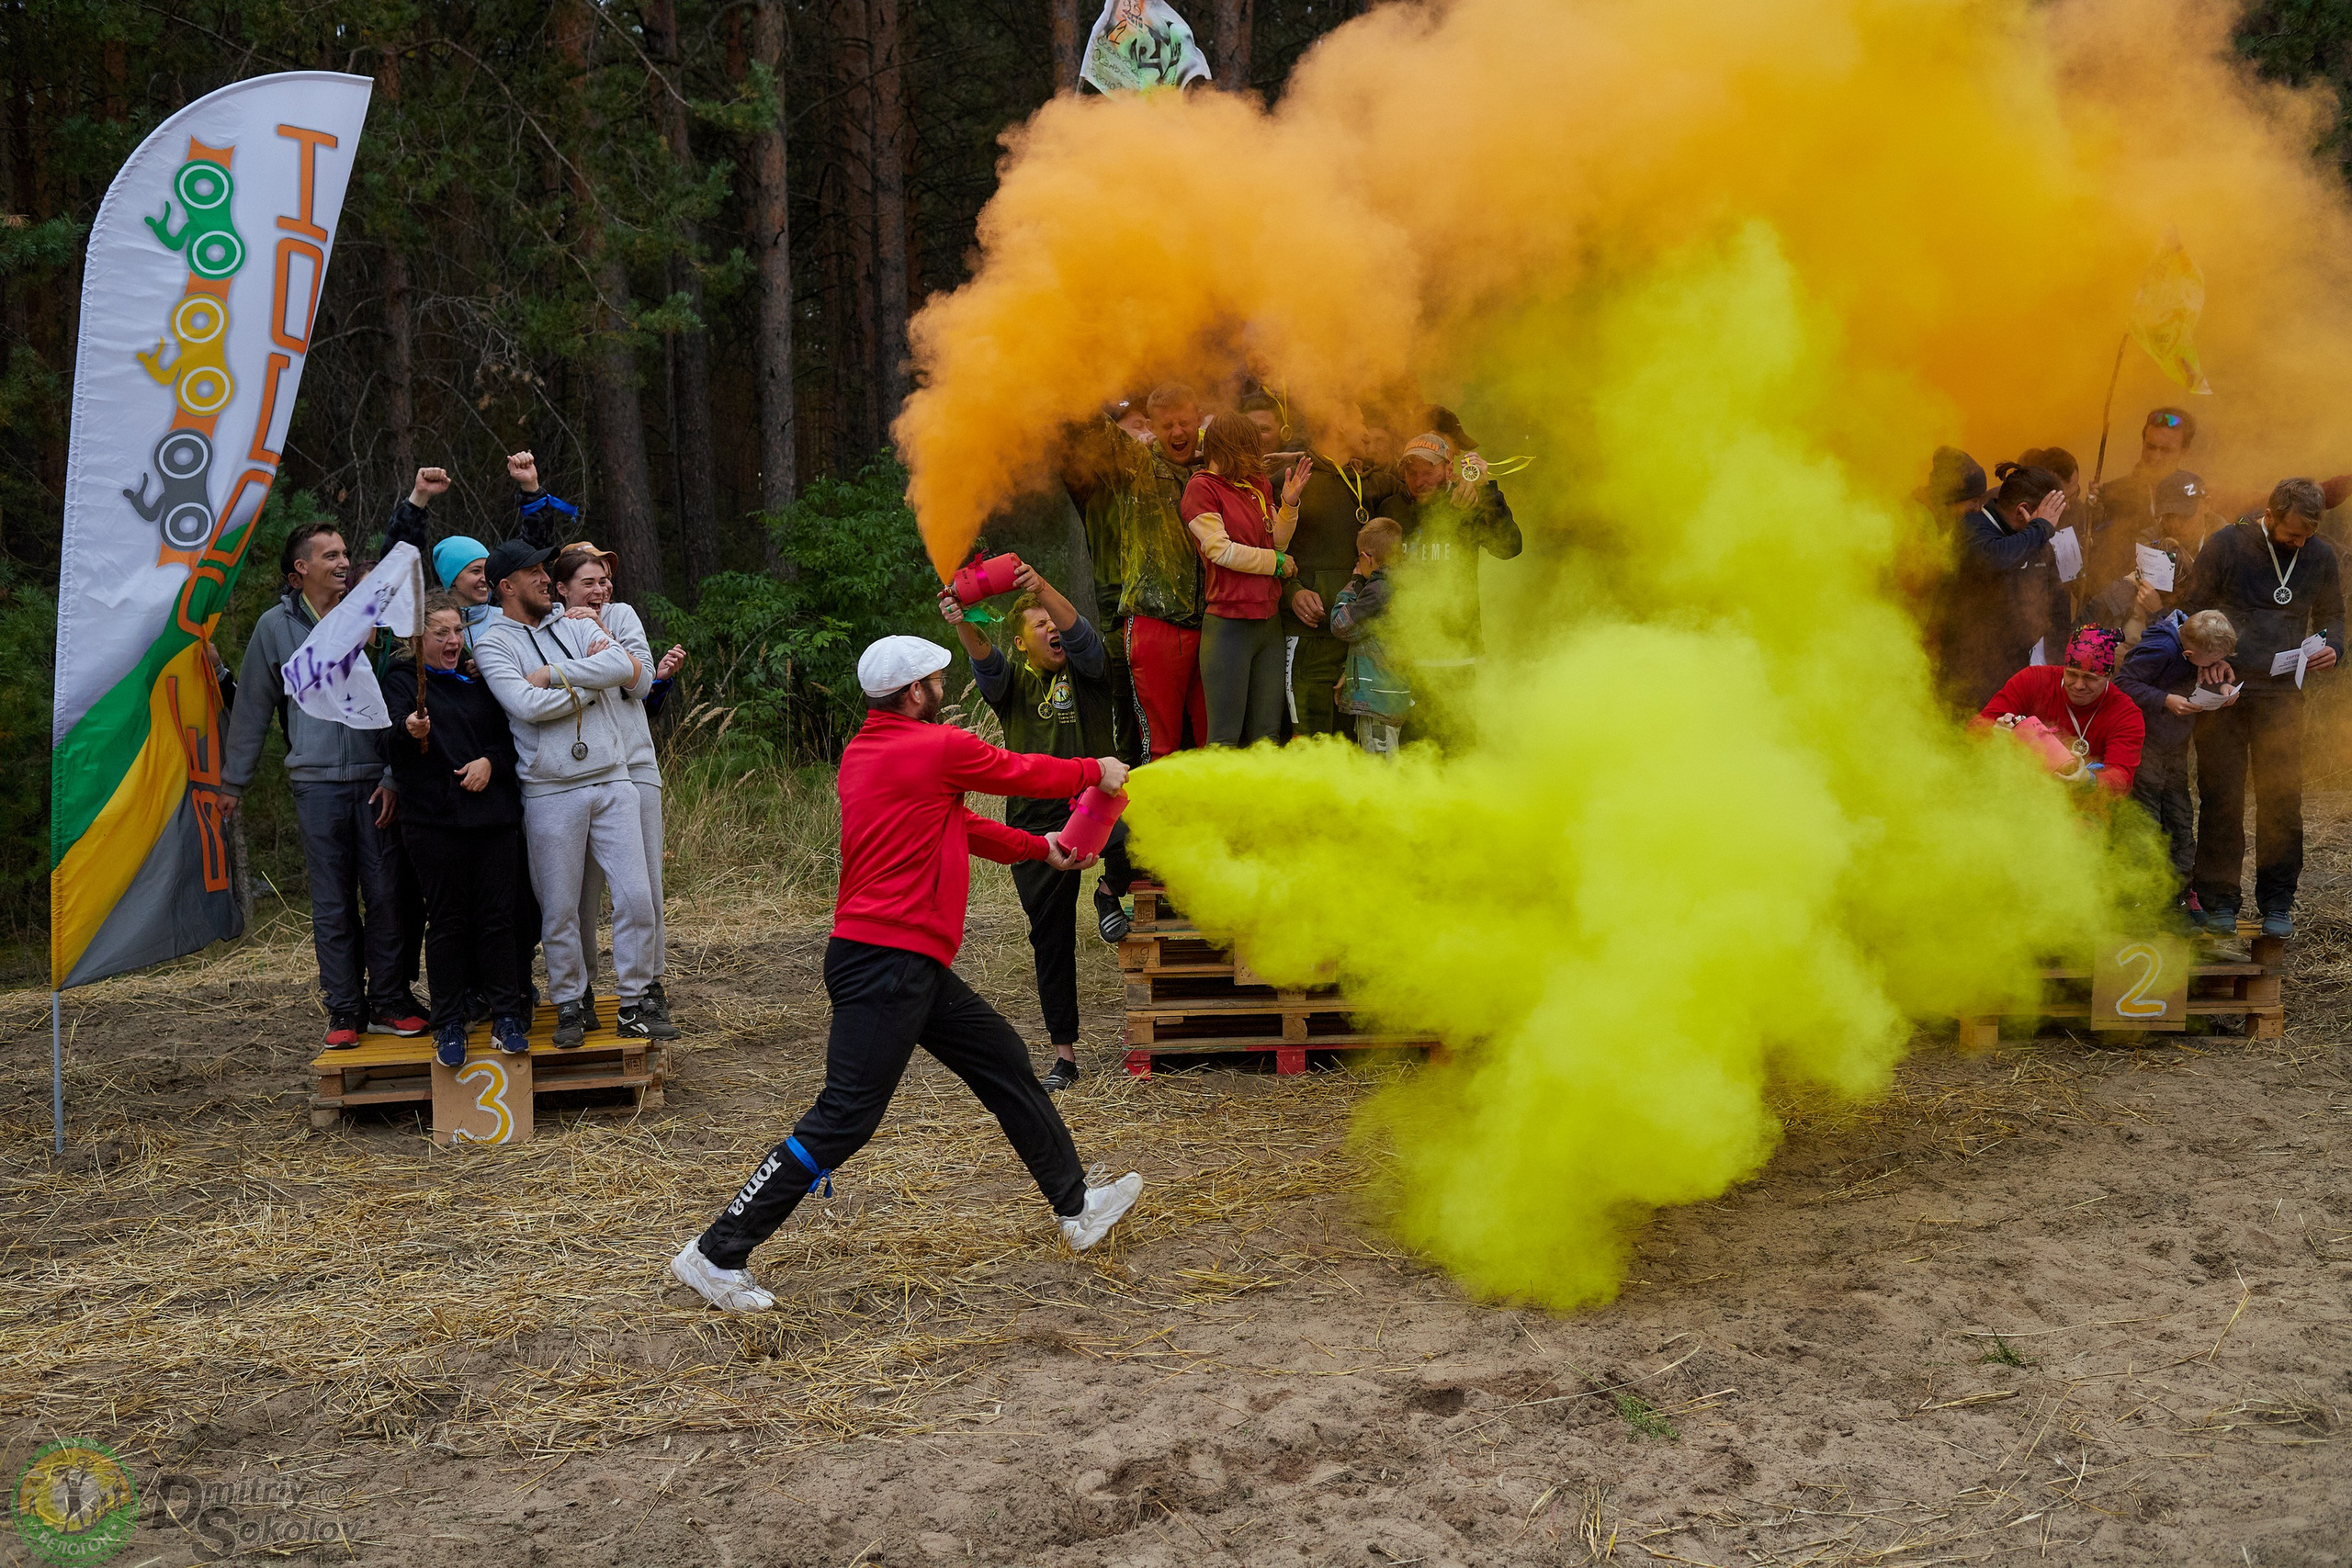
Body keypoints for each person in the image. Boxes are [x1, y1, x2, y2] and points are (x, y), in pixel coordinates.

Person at [668, 637, 1146, 1313]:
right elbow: (1019, 772)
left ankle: (1078, 1208)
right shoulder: (936, 748)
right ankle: (716, 1251)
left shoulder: (868, 752)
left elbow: (959, 827)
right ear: (915, 691)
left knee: (1004, 1060)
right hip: (887, 960)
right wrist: (1091, 769)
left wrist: (1043, 846)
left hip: (903, 960)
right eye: (938, 679)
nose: (945, 688)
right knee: (844, 1118)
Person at [220, 523, 425, 1047]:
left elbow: (400, 698)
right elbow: (252, 709)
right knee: (332, 901)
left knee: (385, 896)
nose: (342, 562)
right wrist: (233, 782)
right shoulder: (274, 627)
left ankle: (389, 1002)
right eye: (329, 555)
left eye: (345, 552)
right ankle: (343, 1012)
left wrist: (392, 774)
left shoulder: (371, 617)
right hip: (315, 783)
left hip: (375, 781)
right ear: (299, 571)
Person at [943, 566, 1136, 1089]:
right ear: (1021, 642)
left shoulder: (1089, 674)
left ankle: (1109, 891)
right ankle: (1065, 1056)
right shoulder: (1010, 687)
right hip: (1034, 821)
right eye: (1039, 624)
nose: (1053, 629)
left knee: (1135, 837)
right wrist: (962, 621)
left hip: (1094, 803)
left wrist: (1041, 587)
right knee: (1050, 939)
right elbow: (984, 661)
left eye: (1055, 620)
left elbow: (1082, 637)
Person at [471, 538, 669, 1046]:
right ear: (506, 586)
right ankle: (568, 1004)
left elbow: (627, 671)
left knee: (637, 897)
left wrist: (554, 675)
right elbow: (526, 704)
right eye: (532, 572)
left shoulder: (577, 621)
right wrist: (585, 684)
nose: (544, 578)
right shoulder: (493, 643)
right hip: (550, 790)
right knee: (559, 908)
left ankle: (635, 1001)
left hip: (612, 776)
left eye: (545, 570)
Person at [2177, 478, 2346, 940]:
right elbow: (2190, 609)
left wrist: (2333, 647)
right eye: (2292, 534)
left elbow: (2331, 615)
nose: (2300, 542)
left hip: (2282, 693)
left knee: (2281, 798)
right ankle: (2218, 901)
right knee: (2221, 796)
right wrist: (2205, 662)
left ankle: (2277, 899)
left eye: (2308, 535)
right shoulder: (2227, 545)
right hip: (2226, 688)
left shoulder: (2321, 555)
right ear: (2270, 515)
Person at [381, 594, 533, 1066]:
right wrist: (410, 732)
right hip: (434, 824)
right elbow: (387, 747)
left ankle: (507, 1014)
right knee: (447, 921)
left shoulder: (477, 681)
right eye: (441, 632)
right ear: (417, 639)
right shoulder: (403, 684)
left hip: (492, 819)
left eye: (457, 631)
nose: (452, 641)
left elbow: (512, 740)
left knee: (498, 917)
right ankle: (447, 1022)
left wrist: (490, 762)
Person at [549, 541, 687, 1031]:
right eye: (589, 581)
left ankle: (648, 986)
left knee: (642, 885)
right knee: (578, 893)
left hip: (635, 762)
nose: (601, 588)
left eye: (605, 579)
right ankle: (580, 991)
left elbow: (641, 683)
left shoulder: (624, 615)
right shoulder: (549, 627)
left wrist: (605, 637)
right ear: (562, 588)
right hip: (578, 771)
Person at [1068, 382, 1208, 761]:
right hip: (1156, 623)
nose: (1177, 433)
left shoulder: (1215, 467)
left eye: (1184, 423)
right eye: (1167, 426)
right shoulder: (1136, 465)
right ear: (1151, 425)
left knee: (1214, 743)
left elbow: (1264, 459)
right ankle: (1152, 820)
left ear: (1199, 420)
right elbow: (1089, 426)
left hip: (1214, 626)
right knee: (1160, 747)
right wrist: (1065, 370)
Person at [1389, 423, 1523, 749]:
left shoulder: (1469, 502)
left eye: (1428, 471)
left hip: (1456, 656)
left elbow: (1509, 547)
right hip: (1400, 660)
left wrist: (1487, 489)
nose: (1419, 481)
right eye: (1411, 473)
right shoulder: (1391, 508)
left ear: (1449, 469)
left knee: (1457, 751)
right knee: (1409, 758)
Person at [1276, 424, 1409, 739]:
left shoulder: (1374, 485)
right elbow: (1262, 551)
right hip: (1307, 638)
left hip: (1353, 646)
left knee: (1350, 746)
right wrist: (1290, 592)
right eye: (1358, 421)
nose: (1366, 431)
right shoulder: (1291, 480)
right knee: (1309, 742)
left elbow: (1422, 492)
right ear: (1331, 418)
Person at [1183, 411, 1307, 746]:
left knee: (1266, 737)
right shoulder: (1201, 488)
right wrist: (1277, 563)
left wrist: (1289, 505)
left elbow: (1275, 543)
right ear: (1228, 448)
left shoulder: (1256, 484)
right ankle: (1222, 800)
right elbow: (1220, 551)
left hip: (1267, 623)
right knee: (1224, 738)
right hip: (1229, 624)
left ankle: (1261, 800)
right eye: (1249, 447)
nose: (1256, 456)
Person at [2115, 608, 2239, 899]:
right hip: (2145, 747)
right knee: (2146, 823)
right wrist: (2164, 700)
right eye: (2213, 660)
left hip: (2174, 747)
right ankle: (2138, 899)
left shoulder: (2195, 646)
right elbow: (2123, 684)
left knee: (2180, 821)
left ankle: (2180, 898)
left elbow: (2200, 672)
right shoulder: (2160, 647)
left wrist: (2220, 687)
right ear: (2188, 653)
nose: (2217, 663)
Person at [1941, 460, 2070, 712]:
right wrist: (2040, 528)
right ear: (2024, 509)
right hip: (1968, 671)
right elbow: (1993, 558)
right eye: (2049, 517)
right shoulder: (1972, 526)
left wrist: (2060, 661)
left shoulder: (2036, 539)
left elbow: (2057, 602)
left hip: (2016, 668)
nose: (2053, 526)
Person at [1974, 625, 2144, 795]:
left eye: (2089, 678)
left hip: (2081, 807)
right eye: (2071, 674)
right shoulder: (2033, 680)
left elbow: (2122, 778)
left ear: (2108, 676)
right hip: (2019, 790)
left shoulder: (2126, 714)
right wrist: (1993, 733)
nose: (2079, 685)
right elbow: (1974, 728)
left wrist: (2090, 781)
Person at [1329, 516, 1412, 754]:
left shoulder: (1378, 591)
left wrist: (1354, 583)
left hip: (1377, 701)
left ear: (1367, 558)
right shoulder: (1403, 585)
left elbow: (1340, 624)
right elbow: (1373, 640)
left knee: (1380, 769)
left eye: (1359, 558)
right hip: (1392, 693)